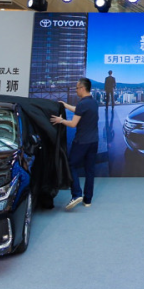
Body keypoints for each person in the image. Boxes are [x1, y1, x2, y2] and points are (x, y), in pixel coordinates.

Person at [51, 78, 99, 210]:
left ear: (82, 88)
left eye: (77, 88)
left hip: (81, 142)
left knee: (71, 165)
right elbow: (79, 111)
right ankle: (87, 200)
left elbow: (73, 124)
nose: (76, 90)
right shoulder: (93, 102)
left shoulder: (83, 103)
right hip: (94, 142)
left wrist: (61, 120)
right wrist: (65, 105)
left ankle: (76, 194)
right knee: (90, 171)